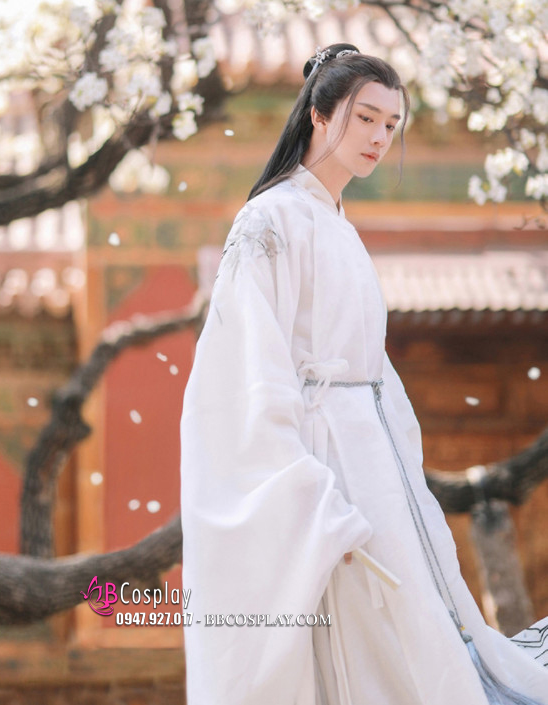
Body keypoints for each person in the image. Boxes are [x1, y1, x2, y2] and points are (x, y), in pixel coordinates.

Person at [179, 43, 548, 705]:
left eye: (391, 124)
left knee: (413, 630)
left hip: (375, 462)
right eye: (366, 118)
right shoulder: (269, 218)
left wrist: (398, 459)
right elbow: (247, 368)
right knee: (359, 633)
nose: (380, 136)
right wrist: (308, 494)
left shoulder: (338, 224)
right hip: (325, 464)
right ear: (319, 114)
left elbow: (372, 370)